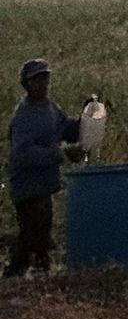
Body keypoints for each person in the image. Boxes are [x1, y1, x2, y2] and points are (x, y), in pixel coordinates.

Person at [7, 60, 81, 278]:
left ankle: (39, 276)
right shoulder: (24, 116)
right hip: (27, 187)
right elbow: (23, 153)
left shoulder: (50, 108)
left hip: (45, 185)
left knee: (41, 238)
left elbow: (65, 128)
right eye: (37, 80)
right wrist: (61, 154)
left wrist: (86, 120)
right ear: (27, 84)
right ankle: (14, 279)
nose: (42, 84)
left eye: (45, 78)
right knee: (31, 238)